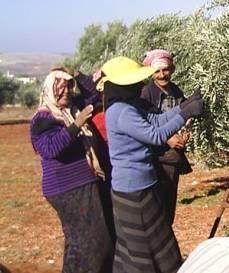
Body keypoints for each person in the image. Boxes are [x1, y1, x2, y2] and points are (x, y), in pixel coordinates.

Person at [102, 56, 204, 273]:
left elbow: (156, 120)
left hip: (138, 185)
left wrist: (182, 107)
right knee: (150, 246)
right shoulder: (121, 112)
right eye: (135, 82)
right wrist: (186, 113)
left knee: (138, 246)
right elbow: (156, 135)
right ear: (124, 86)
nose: (140, 85)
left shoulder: (128, 106)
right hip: (134, 190)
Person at [29, 67, 113, 272]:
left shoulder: (72, 109)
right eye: (60, 88)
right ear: (50, 90)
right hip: (67, 187)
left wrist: (76, 74)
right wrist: (76, 126)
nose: (66, 91)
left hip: (81, 183)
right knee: (94, 241)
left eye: (69, 87)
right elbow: (50, 149)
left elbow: (94, 94)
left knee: (80, 241)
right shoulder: (43, 119)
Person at [140, 49, 193, 224]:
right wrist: (167, 138)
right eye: (157, 71)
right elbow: (145, 125)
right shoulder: (146, 94)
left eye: (165, 70)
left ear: (172, 69)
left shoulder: (176, 91)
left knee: (169, 206)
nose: (162, 75)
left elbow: (186, 114)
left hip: (173, 158)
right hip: (156, 158)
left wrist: (186, 133)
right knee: (157, 207)